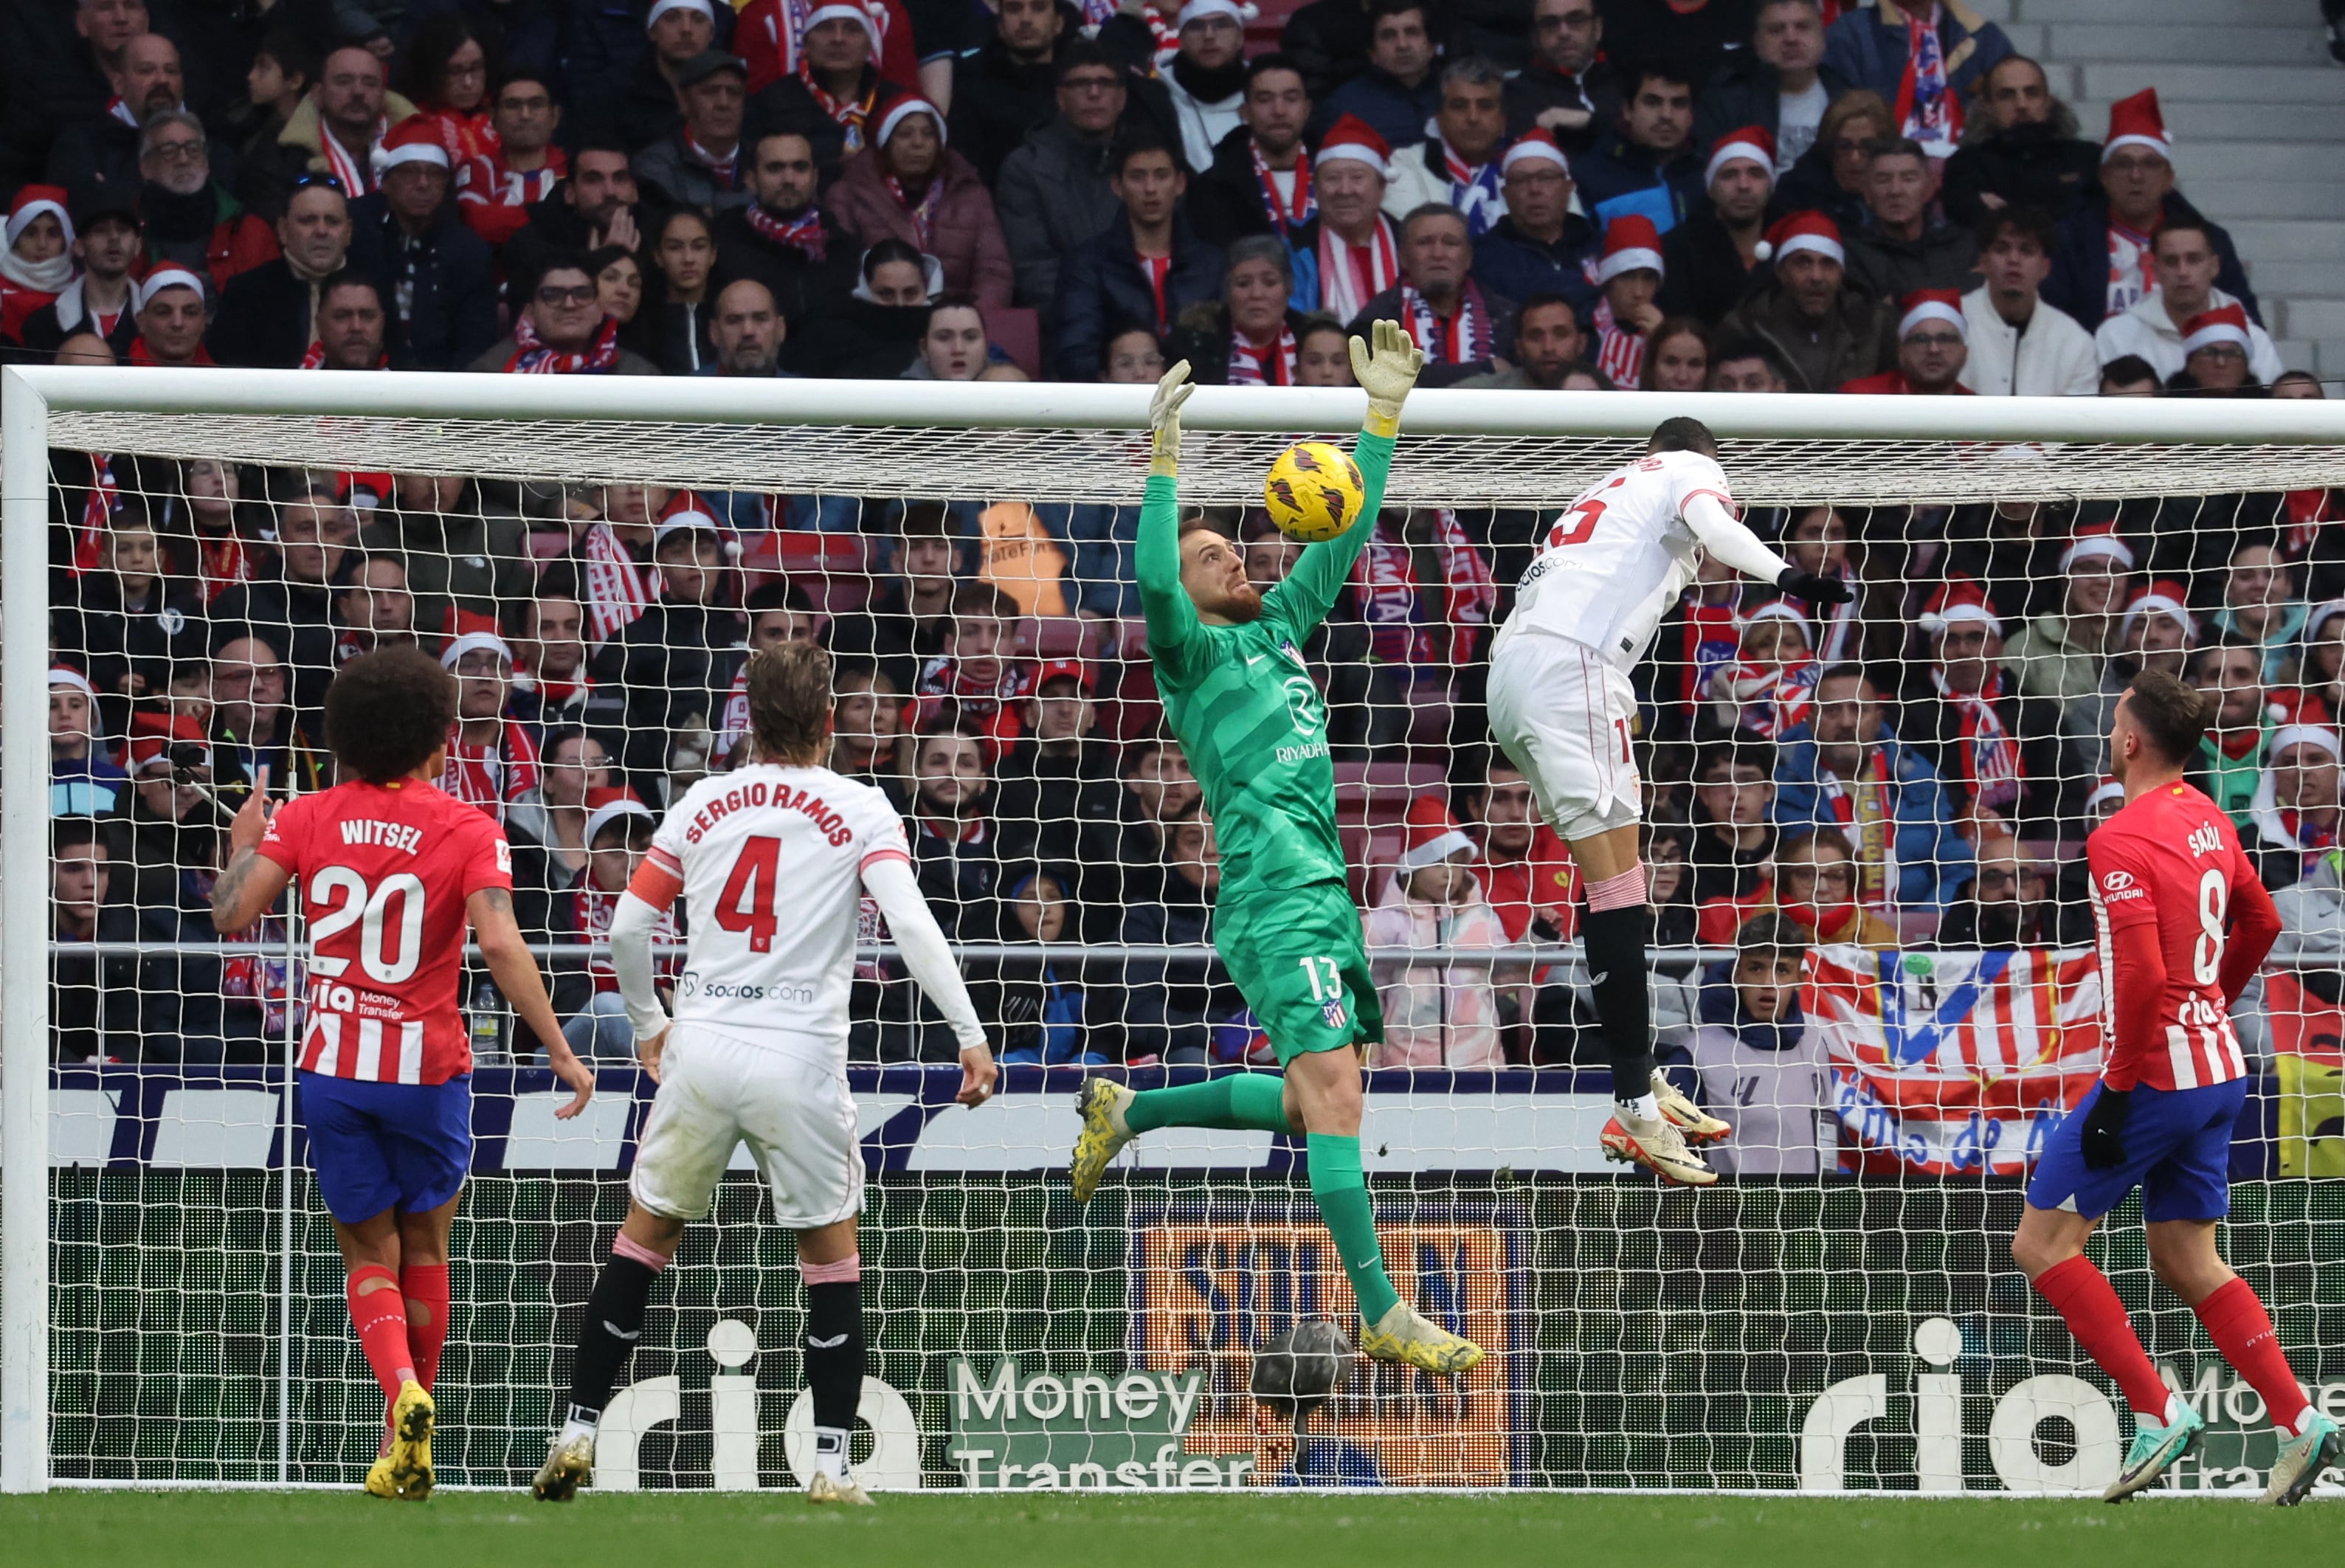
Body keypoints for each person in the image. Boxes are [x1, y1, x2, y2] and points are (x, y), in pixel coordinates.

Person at [1066, 324, 1484, 1375]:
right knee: (1338, 1094)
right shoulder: (1193, 655)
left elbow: (1338, 539)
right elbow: (1157, 586)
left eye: (1233, 550)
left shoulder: (1280, 624)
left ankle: (1132, 1109)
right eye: (1213, 559)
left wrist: (1379, 417)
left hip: (1323, 894)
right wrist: (1163, 467)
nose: (1233, 562)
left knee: (1312, 1100)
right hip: (1272, 893)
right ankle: (1381, 1307)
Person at [531, 642, 992, 1505]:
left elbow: (629, 929)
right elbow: (912, 926)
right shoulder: (860, 806)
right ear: (829, 720)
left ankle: (577, 1431)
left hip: (701, 1046)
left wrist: (647, 1024)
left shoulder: (702, 804)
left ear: (747, 716)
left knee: (642, 1244)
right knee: (830, 1261)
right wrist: (968, 1034)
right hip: (798, 1055)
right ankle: (828, 1464)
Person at [207, 645, 593, 1500]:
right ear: (438, 741)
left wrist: (242, 840)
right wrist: (559, 1049)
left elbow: (234, 911)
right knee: (427, 1245)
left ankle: (400, 1404)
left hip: (335, 1065)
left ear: (342, 740)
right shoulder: (469, 827)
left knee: (364, 1250)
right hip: (427, 1070)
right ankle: (408, 1430)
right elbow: (498, 943)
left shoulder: (305, 816)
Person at [1486, 414, 1851, 1184]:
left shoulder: (1605, 492)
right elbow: (1712, 524)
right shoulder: (1685, 470)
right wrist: (1786, 577)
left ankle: (1639, 1077)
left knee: (1616, 882)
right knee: (1622, 888)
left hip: (1513, 676)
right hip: (1573, 671)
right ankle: (1633, 1102)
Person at [2009, 666, 2339, 1506]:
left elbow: (2149, 972)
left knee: (2042, 1244)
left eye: (2114, 718)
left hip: (2156, 1072)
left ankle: (2157, 1412)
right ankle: (2299, 1420)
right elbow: (2259, 921)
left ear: (2128, 739)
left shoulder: (2118, 836)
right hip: (2220, 1063)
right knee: (2186, 1257)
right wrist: (2213, 1004)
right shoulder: (2207, 815)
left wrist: (2117, 1093)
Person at [2043, 89, 2257, 331]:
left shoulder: (2210, 240)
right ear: (2104, 176)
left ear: (2168, 178)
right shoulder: (2070, 240)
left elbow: (2247, 327)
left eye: (2150, 164)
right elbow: (2054, 324)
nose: (2136, 176)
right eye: (2124, 164)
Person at [1774, 662, 1971, 911]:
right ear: (1811, 722)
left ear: (1878, 719)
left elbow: (1957, 871)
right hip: (1816, 936)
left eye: (1858, 710)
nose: (1846, 722)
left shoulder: (1921, 782)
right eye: (1832, 711)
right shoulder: (1778, 787)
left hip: (1916, 942)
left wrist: (1924, 926)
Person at [1048, 134, 1223, 380]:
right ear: (1117, 186)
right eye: (1137, 177)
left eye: (1161, 175)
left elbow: (1223, 349)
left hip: (1197, 405)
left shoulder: (1212, 264)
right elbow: (1075, 353)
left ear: (1180, 183)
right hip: (1116, 406)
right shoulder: (1087, 264)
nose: (1150, 189)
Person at [1674, 913, 1828, 1176]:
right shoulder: (1695, 1055)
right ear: (1737, 974)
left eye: (1782, 970)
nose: (1768, 984)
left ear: (1800, 979)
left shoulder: (1816, 1045)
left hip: (1808, 1212)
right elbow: (1664, 1154)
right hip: (1728, 1214)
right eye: (1756, 968)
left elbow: (1827, 1134)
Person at [824, 94, 1013, 308]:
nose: (918, 143)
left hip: (956, 324)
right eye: (905, 135)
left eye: (928, 134)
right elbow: (843, 273)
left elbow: (994, 271)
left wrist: (967, 320)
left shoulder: (972, 195)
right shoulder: (847, 195)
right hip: (879, 320)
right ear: (885, 142)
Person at [1364, 797, 1510, 1068]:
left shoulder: (1483, 919)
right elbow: (1370, 1000)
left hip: (1480, 1067)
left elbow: (1509, 979)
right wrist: (1375, 1065)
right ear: (1413, 868)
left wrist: (1539, 938)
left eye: (1456, 863)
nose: (1449, 874)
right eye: (1437, 863)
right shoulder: (1383, 925)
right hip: (1404, 1069)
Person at [992, 41, 1138, 309]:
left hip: (1150, 325)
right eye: (1080, 83)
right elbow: (1035, 271)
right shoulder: (1025, 168)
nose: (1094, 93)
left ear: (1122, 98)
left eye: (1105, 83)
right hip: (1067, 329)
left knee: (1185, 353)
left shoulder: (1147, 162)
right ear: (1060, 98)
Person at [348, 116, 500, 370]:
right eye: (410, 172)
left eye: (435, 174)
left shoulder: (468, 253)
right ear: (386, 182)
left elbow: (475, 346)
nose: (423, 184)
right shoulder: (356, 234)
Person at [1713, 211, 1892, 393]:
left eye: (1828, 264)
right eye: (1803, 263)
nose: (1816, 276)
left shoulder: (1876, 324)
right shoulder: (1744, 327)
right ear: (1781, 272)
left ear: (1841, 273)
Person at [2093, 221, 2284, 387]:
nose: (2182, 272)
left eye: (2194, 260)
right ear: (2156, 270)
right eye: (2171, 261)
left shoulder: (2252, 339)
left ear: (2214, 266)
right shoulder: (2116, 335)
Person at [1348, 204, 1514, 387]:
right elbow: (1382, 378)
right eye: (1424, 243)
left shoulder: (1507, 317)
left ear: (1468, 258)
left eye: (1450, 243)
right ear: (1403, 257)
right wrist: (1486, 368)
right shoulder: (1377, 319)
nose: (1438, 254)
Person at [1822, 0, 2011, 159]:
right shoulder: (1848, 35)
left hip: (1967, 178)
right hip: (1879, 181)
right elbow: (1841, 129)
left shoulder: (1985, 38)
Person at [709, 131, 856, 330]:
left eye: (800, 168)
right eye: (775, 168)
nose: (789, 179)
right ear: (752, 180)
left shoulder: (844, 248)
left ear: (815, 178)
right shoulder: (721, 246)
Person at [1939, 54, 2101, 232]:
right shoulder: (1965, 165)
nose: (2021, 104)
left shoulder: (2087, 159)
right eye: (2007, 96)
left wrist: (2007, 211)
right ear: (1988, 107)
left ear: (2048, 102)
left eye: (2032, 93)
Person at [1184, 52, 1319, 258]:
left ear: (1307, 109)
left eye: (1291, 99)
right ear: (1245, 112)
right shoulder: (1213, 190)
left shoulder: (1337, 177)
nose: (1279, 111)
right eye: (1265, 100)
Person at [206, 178, 350, 367]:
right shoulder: (245, 293)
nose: (321, 231)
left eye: (332, 221)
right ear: (283, 230)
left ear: (349, 232)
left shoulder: (375, 289)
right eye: (308, 220)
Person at [1693, 0, 1848, 170]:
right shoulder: (1726, 104)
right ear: (1757, 42)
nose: (1791, 38)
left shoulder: (1847, 97)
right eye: (1776, 30)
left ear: (1823, 36)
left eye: (1802, 27)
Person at [1958, 207, 2097, 397]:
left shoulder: (2074, 342)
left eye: (2027, 251)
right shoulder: (1952, 322)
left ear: (2045, 268)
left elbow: (2079, 422)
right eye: (2002, 249)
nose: (2013, 260)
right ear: (1983, 262)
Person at [1656, 126, 1778, 327]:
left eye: (1756, 174)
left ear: (1770, 185)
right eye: (1729, 175)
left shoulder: (1791, 245)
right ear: (1710, 188)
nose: (1743, 185)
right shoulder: (1677, 250)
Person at [1378, 58, 1510, 238]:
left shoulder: (1531, 166)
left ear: (1503, 120)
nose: (1473, 118)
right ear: (1439, 118)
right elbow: (1423, 237)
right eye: (1459, 106)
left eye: (1485, 106)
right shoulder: (1404, 164)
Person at [467, 255, 662, 375]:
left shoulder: (639, 375)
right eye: (552, 295)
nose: (569, 304)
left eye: (583, 294)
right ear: (530, 314)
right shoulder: (491, 372)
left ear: (599, 312)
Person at [1569, 61, 1703, 233]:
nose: (1666, 115)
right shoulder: (1588, 178)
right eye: (1652, 102)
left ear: (1691, 115)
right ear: (1627, 110)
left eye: (1679, 104)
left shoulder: (1709, 174)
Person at [1842, 136, 1978, 302]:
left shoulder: (1963, 247)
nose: (1896, 191)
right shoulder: (1853, 256)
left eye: (1908, 179)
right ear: (1867, 193)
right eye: (1883, 180)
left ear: (1929, 188)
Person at [949, 0, 1068, 184]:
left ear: (1059, 23)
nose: (1026, 19)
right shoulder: (972, 90)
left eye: (1038, 8)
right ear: (1000, 26)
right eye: (1014, 9)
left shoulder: (1082, 85)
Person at [16, 189, 142, 359]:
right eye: (100, 230)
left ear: (138, 246)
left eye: (123, 229)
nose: (114, 238)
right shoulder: (45, 324)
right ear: (79, 246)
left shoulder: (160, 320)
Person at [454, 75, 567, 249]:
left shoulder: (576, 168)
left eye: (536, 104)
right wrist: (553, 218)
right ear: (493, 117)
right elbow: (476, 222)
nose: (525, 115)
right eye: (512, 105)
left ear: (555, 116)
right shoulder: (477, 169)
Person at [632, 49, 753, 213]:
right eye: (710, 92)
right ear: (684, 101)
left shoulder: (762, 160)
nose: (724, 103)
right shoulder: (656, 167)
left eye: (734, 93)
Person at [1313, 0, 1440, 153]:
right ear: (1372, 53)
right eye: (1388, 36)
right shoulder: (1343, 106)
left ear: (1432, 46)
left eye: (1412, 32)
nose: (1402, 45)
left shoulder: (1457, 92)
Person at [1502, 0, 1620, 152]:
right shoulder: (1515, 94)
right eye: (1550, 24)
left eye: (1576, 20)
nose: (1564, 33)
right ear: (1535, 37)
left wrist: (1588, 121)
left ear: (1598, 29)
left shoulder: (1625, 82)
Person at [1158, 0, 1251, 174]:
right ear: (1181, 39)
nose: (1209, 35)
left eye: (1221, 25)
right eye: (1196, 27)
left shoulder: (1262, 92)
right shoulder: (1156, 97)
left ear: (1240, 37)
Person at [627, 207, 721, 375]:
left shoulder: (730, 318)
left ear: (713, 254)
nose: (688, 259)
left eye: (699, 247)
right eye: (675, 247)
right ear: (658, 256)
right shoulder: (640, 322)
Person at [1840, 288, 1969, 395]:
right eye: (1921, 339)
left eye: (1945, 339)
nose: (1933, 349)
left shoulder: (1977, 408)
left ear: (1964, 354)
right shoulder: (1860, 397)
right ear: (1901, 352)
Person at [1455, 291, 1584, 390]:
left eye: (1561, 335)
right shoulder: (1481, 395)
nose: (1548, 347)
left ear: (1581, 343)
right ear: (1519, 348)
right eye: (1535, 337)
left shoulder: (1600, 393)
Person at [125, 266, 213, 367]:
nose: (177, 323)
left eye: (190, 313)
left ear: (203, 321)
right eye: (163, 312)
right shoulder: (114, 376)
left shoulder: (225, 379)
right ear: (142, 322)